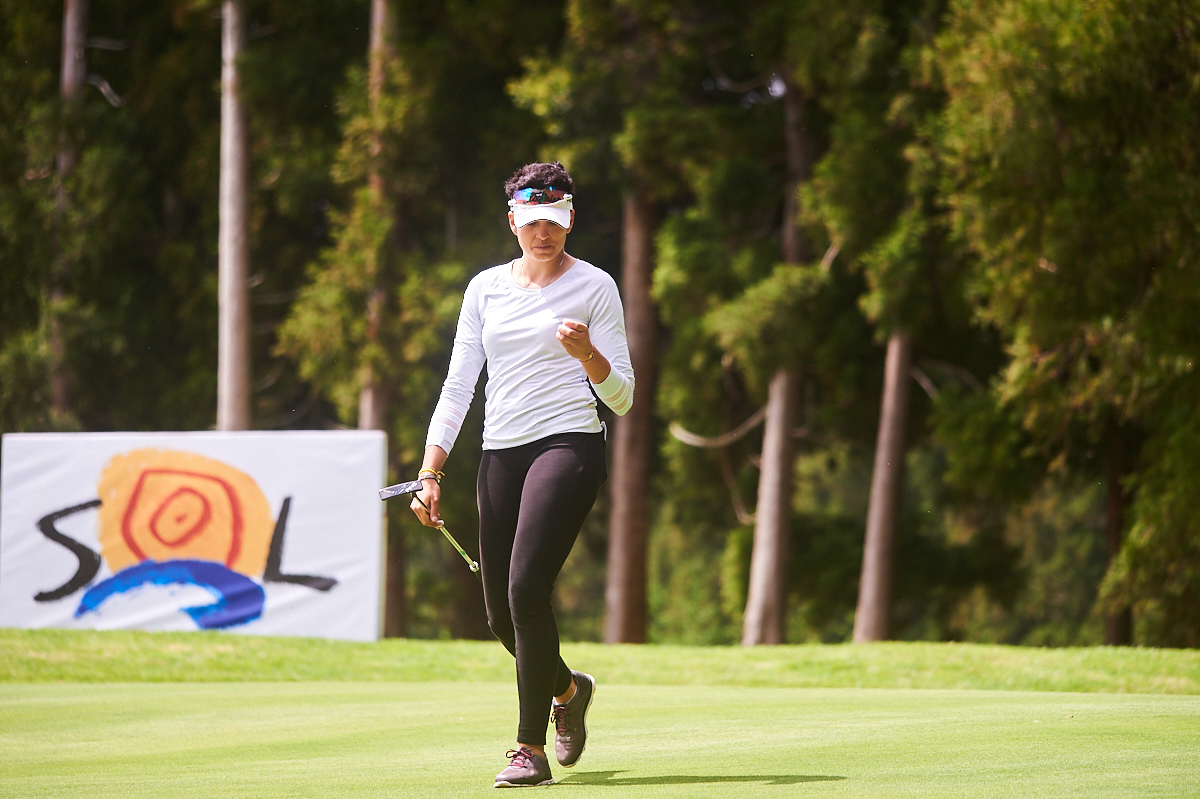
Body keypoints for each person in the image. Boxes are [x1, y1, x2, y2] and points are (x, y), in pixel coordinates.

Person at [411, 161, 634, 788]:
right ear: (513, 222)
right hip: (498, 452)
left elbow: (622, 399)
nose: (545, 233)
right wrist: (431, 471)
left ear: (570, 222)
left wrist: (588, 354)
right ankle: (568, 688)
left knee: (526, 590)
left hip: (569, 445)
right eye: (533, 221)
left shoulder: (596, 287)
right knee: (499, 616)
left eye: (555, 222)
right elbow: (458, 386)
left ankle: (527, 748)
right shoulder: (484, 289)